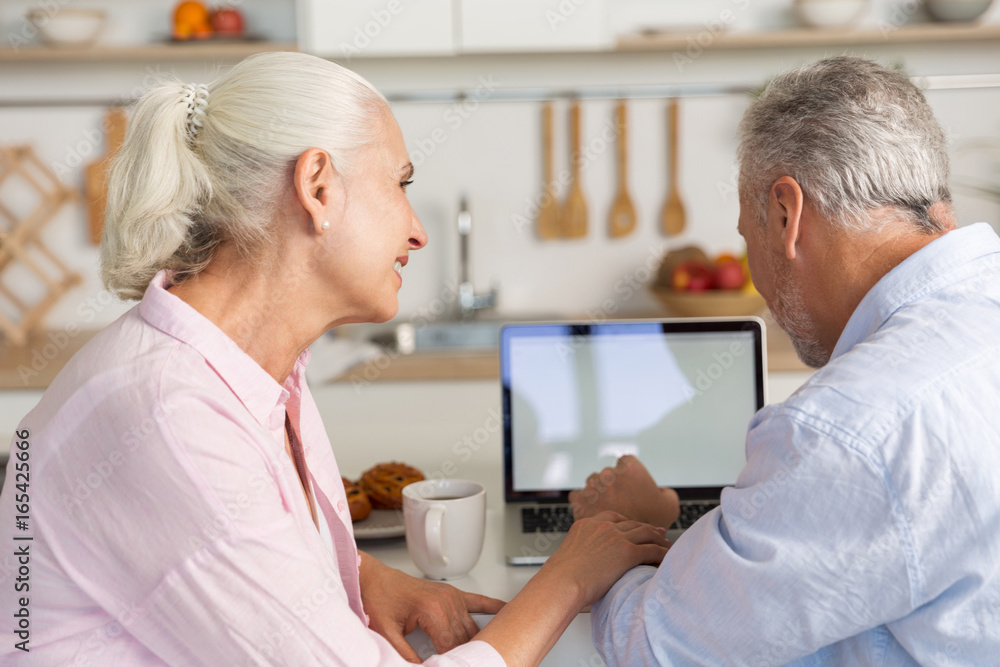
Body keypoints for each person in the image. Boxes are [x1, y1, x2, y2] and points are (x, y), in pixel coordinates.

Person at [0, 51, 670, 666]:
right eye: (400, 183)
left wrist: (355, 574)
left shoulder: (257, 370)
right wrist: (571, 573)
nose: (417, 229)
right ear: (318, 187)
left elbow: (208, 547)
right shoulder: (166, 414)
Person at [572, 56, 1000, 665]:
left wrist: (619, 529)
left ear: (786, 214)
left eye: (749, 238)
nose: (763, 290)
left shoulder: (848, 426)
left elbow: (656, 648)